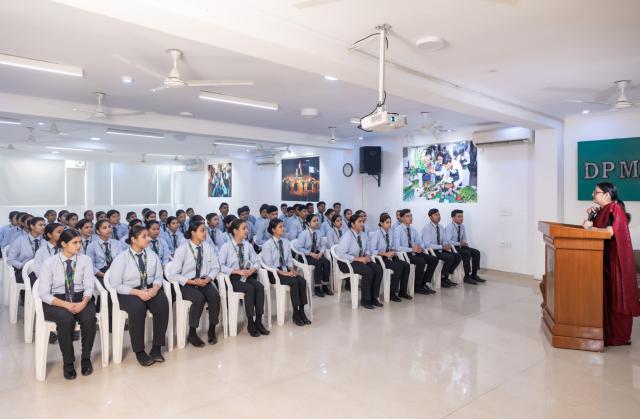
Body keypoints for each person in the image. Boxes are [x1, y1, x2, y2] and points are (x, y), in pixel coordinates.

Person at [583, 182, 640, 346]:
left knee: (616, 296)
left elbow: (609, 232)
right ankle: (605, 331)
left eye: (596, 192)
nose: (593, 194)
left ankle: (618, 335)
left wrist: (590, 228)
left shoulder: (614, 208)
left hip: (615, 261)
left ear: (607, 195)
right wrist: (592, 217)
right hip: (604, 259)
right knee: (606, 296)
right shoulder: (604, 210)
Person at [38, 229, 97, 379]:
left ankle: (86, 358)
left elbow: (89, 286)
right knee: (66, 320)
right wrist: (66, 305)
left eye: (80, 242)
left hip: (80, 297)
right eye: (74, 243)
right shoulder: (49, 263)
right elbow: (43, 293)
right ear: (63, 244)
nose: (79, 246)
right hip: (57, 300)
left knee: (89, 319)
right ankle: (68, 362)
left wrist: (84, 302)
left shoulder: (85, 260)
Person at [109, 225, 169, 365]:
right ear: (133, 239)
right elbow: (116, 284)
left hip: (149, 288)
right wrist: (138, 293)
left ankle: (156, 348)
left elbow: (158, 276)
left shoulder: (152, 255)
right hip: (129, 292)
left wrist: (155, 289)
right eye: (144, 236)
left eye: (148, 236)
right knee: (137, 309)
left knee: (162, 304)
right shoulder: (121, 258)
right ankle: (139, 351)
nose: (148, 239)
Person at [167, 220, 222, 346]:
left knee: (215, 296)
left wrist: (208, 279)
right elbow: (173, 274)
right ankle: (192, 333)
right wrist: (191, 281)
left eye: (205, 230)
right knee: (199, 298)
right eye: (202, 231)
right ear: (193, 232)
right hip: (187, 283)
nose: (205, 233)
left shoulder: (208, 247)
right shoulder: (182, 249)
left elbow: (215, 267)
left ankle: (212, 329)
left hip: (204, 281)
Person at [218, 218, 268, 337]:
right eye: (244, 228)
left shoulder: (247, 245)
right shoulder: (226, 247)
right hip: (233, 278)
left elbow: (257, 261)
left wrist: (252, 270)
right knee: (250, 289)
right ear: (235, 231)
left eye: (247, 228)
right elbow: (220, 266)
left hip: (247, 276)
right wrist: (236, 271)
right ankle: (250, 323)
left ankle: (258, 321)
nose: (247, 231)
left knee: (259, 287)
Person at [260, 219, 311, 326]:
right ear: (273, 230)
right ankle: (296, 313)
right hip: (274, 273)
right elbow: (269, 265)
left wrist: (292, 270)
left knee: (302, 281)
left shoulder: (286, 242)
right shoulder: (267, 245)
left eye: (283, 226)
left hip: (285, 269)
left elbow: (289, 260)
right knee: (294, 282)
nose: (283, 228)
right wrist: (285, 273)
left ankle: (301, 311)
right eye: (280, 227)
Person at [335, 214, 383, 309]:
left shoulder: (363, 235)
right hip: (346, 262)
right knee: (368, 271)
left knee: (378, 269)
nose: (362, 224)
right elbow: (340, 254)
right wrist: (357, 259)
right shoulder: (347, 236)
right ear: (353, 224)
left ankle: (374, 297)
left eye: (363, 222)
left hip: (360, 259)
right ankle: (365, 300)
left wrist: (367, 255)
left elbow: (367, 248)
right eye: (359, 222)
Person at [393, 209, 437, 294]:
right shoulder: (397, 230)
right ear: (402, 218)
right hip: (405, 254)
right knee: (421, 261)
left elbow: (420, 242)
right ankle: (417, 286)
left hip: (415, 252)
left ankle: (424, 283)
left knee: (434, 259)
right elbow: (397, 247)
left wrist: (421, 247)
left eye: (411, 216)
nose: (410, 218)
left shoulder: (413, 229)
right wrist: (411, 249)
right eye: (408, 216)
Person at [370, 213, 412, 301]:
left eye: (390, 222)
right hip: (381, 258)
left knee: (406, 265)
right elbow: (372, 250)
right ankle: (392, 293)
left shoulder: (390, 232)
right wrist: (385, 254)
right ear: (381, 223)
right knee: (398, 267)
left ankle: (402, 291)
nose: (389, 224)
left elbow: (392, 246)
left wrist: (393, 251)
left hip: (390, 256)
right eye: (387, 222)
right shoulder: (377, 234)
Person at [422, 209, 461, 288]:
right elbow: (427, 244)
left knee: (457, 256)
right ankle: (442, 279)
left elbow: (444, 240)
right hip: (432, 251)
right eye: (436, 215)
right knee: (449, 257)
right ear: (430, 217)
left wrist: (446, 245)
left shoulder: (441, 227)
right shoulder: (427, 228)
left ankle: (446, 276)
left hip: (441, 249)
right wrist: (441, 247)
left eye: (439, 214)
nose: (438, 216)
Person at [296, 214, 333, 297]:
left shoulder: (318, 233)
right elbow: (299, 247)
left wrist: (321, 253)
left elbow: (323, 245)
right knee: (318, 264)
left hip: (316, 254)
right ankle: (317, 287)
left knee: (327, 262)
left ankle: (325, 286)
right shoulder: (303, 234)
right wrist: (310, 253)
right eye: (314, 221)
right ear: (308, 223)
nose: (317, 223)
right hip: (306, 256)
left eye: (317, 221)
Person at [445, 210, 484, 284]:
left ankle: (474, 274)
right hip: (453, 247)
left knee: (476, 252)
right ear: (453, 218)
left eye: (462, 216)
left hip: (460, 246)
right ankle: (467, 276)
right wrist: (459, 243)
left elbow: (464, 237)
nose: (461, 218)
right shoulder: (449, 227)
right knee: (466, 253)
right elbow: (448, 241)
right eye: (459, 216)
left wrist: (464, 242)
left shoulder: (462, 226)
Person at [7, 216, 44, 286]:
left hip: (41, 271)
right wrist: (23, 266)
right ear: (32, 226)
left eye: (44, 225)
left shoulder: (45, 242)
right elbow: (10, 259)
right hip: (23, 271)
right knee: (34, 279)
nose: (43, 227)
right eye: (40, 225)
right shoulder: (20, 240)